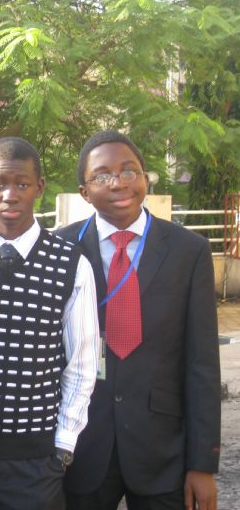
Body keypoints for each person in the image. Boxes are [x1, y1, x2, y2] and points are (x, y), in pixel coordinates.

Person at [54, 131, 220, 510]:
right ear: (84, 192)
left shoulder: (189, 251)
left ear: (145, 178)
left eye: (129, 171)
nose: (118, 183)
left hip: (162, 451)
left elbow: (202, 365)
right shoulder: (61, 249)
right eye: (103, 175)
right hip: (83, 447)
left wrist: (202, 464)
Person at [0, 137, 99, 510]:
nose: (10, 194)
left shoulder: (70, 264)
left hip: (35, 464)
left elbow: (82, 363)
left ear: (39, 188)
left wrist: (63, 446)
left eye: (22, 184)